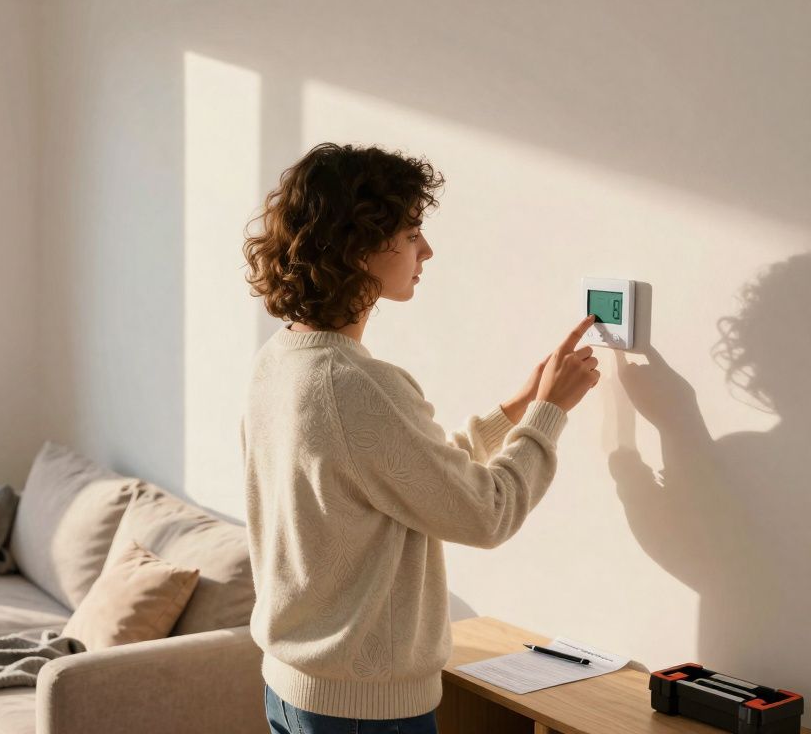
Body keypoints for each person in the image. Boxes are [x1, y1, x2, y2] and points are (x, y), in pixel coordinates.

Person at [239, 142, 600, 734]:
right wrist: (548, 415)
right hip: (362, 711)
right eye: (411, 234)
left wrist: (514, 410)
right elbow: (486, 513)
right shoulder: (355, 385)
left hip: (295, 689)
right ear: (357, 248)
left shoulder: (280, 360)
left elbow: (401, 478)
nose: (426, 250)